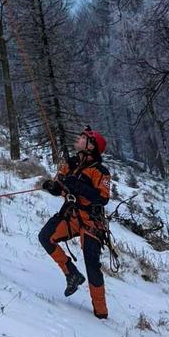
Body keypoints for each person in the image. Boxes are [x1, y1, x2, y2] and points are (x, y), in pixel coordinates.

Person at [38, 127, 111, 319]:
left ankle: (101, 312)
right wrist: (52, 186)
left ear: (91, 146)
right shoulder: (71, 164)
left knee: (92, 264)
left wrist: (77, 185)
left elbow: (102, 198)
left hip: (91, 222)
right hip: (71, 215)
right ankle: (71, 274)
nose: (77, 140)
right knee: (46, 236)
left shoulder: (100, 172)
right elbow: (60, 186)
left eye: (82, 138)